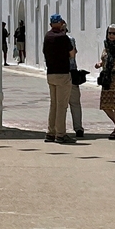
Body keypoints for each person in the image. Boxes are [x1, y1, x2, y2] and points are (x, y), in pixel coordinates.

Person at [42, 14, 77, 144]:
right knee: (62, 105)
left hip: (51, 73)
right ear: (61, 23)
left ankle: (51, 132)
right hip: (63, 73)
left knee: (54, 104)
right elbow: (72, 54)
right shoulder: (63, 37)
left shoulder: (47, 36)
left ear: (51, 24)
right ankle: (60, 134)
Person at [67, 34, 85, 138]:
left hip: (59, 73)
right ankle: (78, 128)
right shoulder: (70, 39)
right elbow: (73, 54)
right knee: (75, 104)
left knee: (60, 104)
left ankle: (58, 129)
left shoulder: (51, 38)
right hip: (71, 72)